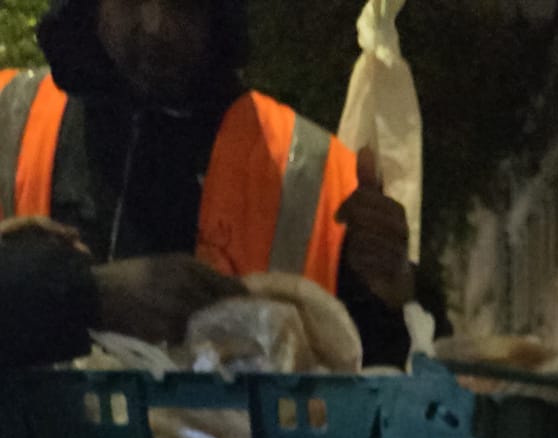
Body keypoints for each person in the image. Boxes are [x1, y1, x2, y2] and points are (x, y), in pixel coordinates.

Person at [0, 0, 413, 365]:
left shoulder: (315, 171)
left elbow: (365, 382)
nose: (156, 25)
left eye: (184, 3)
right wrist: (87, 298)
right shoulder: (8, 117)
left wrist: (381, 306)